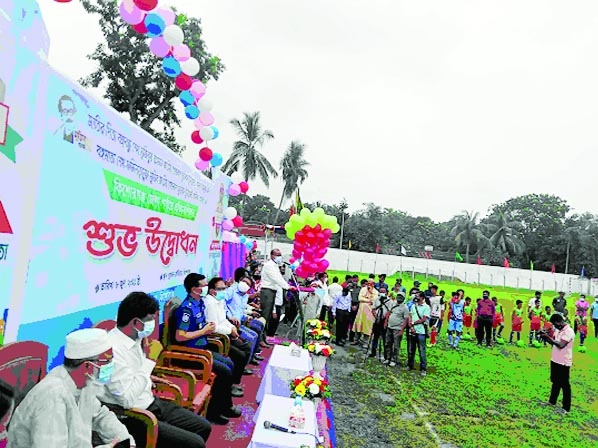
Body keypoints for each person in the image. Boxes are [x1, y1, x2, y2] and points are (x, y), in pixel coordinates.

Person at [103, 292, 213, 446]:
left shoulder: (135, 337)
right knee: (195, 443)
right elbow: (126, 400)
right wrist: (150, 360)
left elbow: (136, 374)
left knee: (203, 427)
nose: (153, 325)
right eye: (150, 320)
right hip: (136, 416)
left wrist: (149, 375)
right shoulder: (112, 349)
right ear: (135, 322)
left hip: (152, 401)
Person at [9, 328, 135, 447]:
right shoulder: (52, 397)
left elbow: (100, 416)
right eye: (107, 362)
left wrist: (126, 440)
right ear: (87, 366)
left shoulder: (85, 383)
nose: (111, 366)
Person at [176, 274, 243, 423]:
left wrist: (207, 330)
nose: (207, 287)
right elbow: (180, 336)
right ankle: (215, 412)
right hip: (191, 353)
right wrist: (203, 331)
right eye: (204, 285)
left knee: (229, 364)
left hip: (204, 346)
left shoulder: (199, 303)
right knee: (223, 371)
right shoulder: (186, 309)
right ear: (195, 289)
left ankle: (225, 405)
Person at [204, 277, 253, 377]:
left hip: (225, 333)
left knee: (247, 347)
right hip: (217, 338)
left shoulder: (220, 300)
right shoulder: (209, 303)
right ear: (212, 290)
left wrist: (232, 328)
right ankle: (234, 380)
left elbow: (223, 320)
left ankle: (238, 374)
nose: (224, 291)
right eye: (220, 289)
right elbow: (213, 327)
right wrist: (230, 330)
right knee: (240, 355)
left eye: (225, 288)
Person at [226, 270, 263, 365]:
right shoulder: (231, 291)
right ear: (240, 281)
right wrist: (230, 316)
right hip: (229, 322)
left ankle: (249, 359)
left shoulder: (245, 296)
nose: (245, 284)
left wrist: (246, 317)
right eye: (244, 282)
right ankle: (244, 364)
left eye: (248, 284)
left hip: (239, 323)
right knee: (250, 338)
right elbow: (222, 304)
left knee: (254, 335)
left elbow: (240, 311)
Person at [539, 313, 574, 414]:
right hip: (555, 359)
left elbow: (561, 345)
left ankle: (566, 408)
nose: (555, 326)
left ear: (560, 322)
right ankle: (552, 402)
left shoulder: (568, 331)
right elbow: (554, 342)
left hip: (564, 361)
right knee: (555, 381)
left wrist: (548, 338)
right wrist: (545, 337)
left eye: (555, 324)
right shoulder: (558, 330)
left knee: (565, 385)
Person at [260, 249, 293, 344]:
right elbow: (276, 279)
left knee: (268, 317)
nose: (279, 256)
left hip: (272, 291)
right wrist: (287, 287)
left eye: (280, 254)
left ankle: (264, 337)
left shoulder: (275, 266)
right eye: (277, 254)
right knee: (265, 317)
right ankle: (261, 339)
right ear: (272, 255)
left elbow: (280, 278)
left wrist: (287, 286)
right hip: (267, 291)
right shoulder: (269, 265)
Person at [407, 292, 430, 376]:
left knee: (421, 351)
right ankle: (410, 365)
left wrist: (413, 323)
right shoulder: (413, 306)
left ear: (422, 297)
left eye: (417, 296)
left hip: (421, 332)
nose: (415, 298)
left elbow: (424, 319)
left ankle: (423, 368)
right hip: (413, 331)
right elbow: (410, 315)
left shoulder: (426, 307)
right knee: (411, 350)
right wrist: (411, 325)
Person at [384, 291, 410, 366]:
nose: (399, 298)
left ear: (403, 298)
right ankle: (387, 358)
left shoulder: (405, 308)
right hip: (389, 326)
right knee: (387, 343)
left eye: (401, 297)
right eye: (398, 296)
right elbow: (389, 313)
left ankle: (394, 359)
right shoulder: (393, 304)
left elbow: (405, 319)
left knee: (396, 345)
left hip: (397, 328)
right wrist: (386, 322)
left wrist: (402, 330)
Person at [351, 280, 378, 347]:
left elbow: (374, 300)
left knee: (367, 327)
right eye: (368, 283)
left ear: (373, 284)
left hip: (369, 313)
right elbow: (360, 298)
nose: (369, 285)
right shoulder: (363, 289)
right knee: (358, 325)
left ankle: (365, 342)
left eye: (370, 284)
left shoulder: (375, 292)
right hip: (361, 311)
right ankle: (356, 340)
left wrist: (370, 292)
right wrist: (368, 300)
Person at [369, 286, 390, 359]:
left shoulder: (389, 301)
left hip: (384, 320)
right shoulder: (376, 300)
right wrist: (376, 317)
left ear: (386, 292)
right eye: (380, 291)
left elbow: (389, 312)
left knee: (385, 339)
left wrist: (385, 321)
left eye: (383, 291)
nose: (382, 293)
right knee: (375, 337)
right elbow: (373, 309)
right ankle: (373, 352)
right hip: (377, 320)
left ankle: (386, 355)